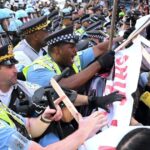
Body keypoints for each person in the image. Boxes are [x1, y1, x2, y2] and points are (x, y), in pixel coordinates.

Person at [23, 26, 124, 91]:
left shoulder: (72, 58)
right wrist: (99, 64)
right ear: (57, 50)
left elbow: (99, 48)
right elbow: (65, 84)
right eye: (71, 47)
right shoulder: (37, 69)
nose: (75, 51)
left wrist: (122, 38)